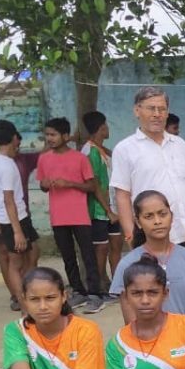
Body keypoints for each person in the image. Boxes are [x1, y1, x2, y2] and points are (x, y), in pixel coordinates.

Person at [110, 86, 185, 249]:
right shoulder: (125, 149)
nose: (157, 114)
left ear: (167, 113)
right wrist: (131, 238)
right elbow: (122, 196)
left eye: (162, 109)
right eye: (151, 108)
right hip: (153, 241)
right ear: (137, 111)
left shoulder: (180, 145)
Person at [109, 191, 185, 321]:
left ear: (172, 217)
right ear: (138, 222)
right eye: (149, 216)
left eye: (162, 214)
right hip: (147, 334)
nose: (157, 221)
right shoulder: (127, 264)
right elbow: (131, 321)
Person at [38, 117, 103, 312]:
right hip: (58, 217)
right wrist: (44, 184)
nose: (49, 138)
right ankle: (78, 291)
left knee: (88, 255)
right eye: (47, 135)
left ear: (66, 136)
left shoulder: (79, 158)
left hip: (79, 215)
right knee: (67, 257)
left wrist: (70, 184)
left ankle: (95, 294)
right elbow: (42, 185)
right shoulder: (44, 159)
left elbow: (91, 186)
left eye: (53, 134)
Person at [0, 121, 39, 311]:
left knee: (32, 253)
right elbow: (8, 200)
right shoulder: (6, 166)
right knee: (16, 263)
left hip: (16, 217)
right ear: (14, 138)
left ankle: (26, 296)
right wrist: (17, 231)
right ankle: (23, 303)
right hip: (13, 220)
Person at [80, 111, 120, 300]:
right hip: (99, 210)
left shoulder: (101, 150)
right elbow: (95, 184)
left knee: (116, 244)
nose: (108, 129)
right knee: (101, 248)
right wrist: (108, 210)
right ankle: (101, 284)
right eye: (106, 126)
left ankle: (117, 284)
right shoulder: (90, 152)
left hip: (113, 207)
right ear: (102, 128)